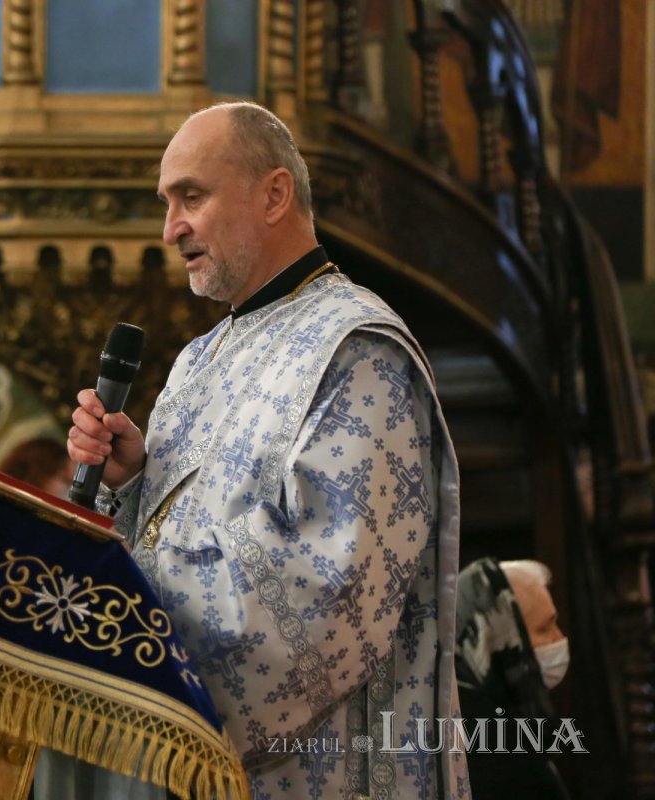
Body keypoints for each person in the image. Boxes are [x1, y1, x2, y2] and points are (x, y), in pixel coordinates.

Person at [65, 102, 466, 798]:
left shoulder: (358, 351)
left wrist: (105, 607)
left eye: (192, 196)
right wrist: (132, 483)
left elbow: (323, 594)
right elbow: (172, 532)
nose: (171, 228)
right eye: (167, 203)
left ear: (275, 194)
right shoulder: (198, 360)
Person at [455, 557, 572, 799]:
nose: (559, 638)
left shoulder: (509, 716)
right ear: (498, 635)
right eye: (544, 628)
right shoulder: (488, 738)